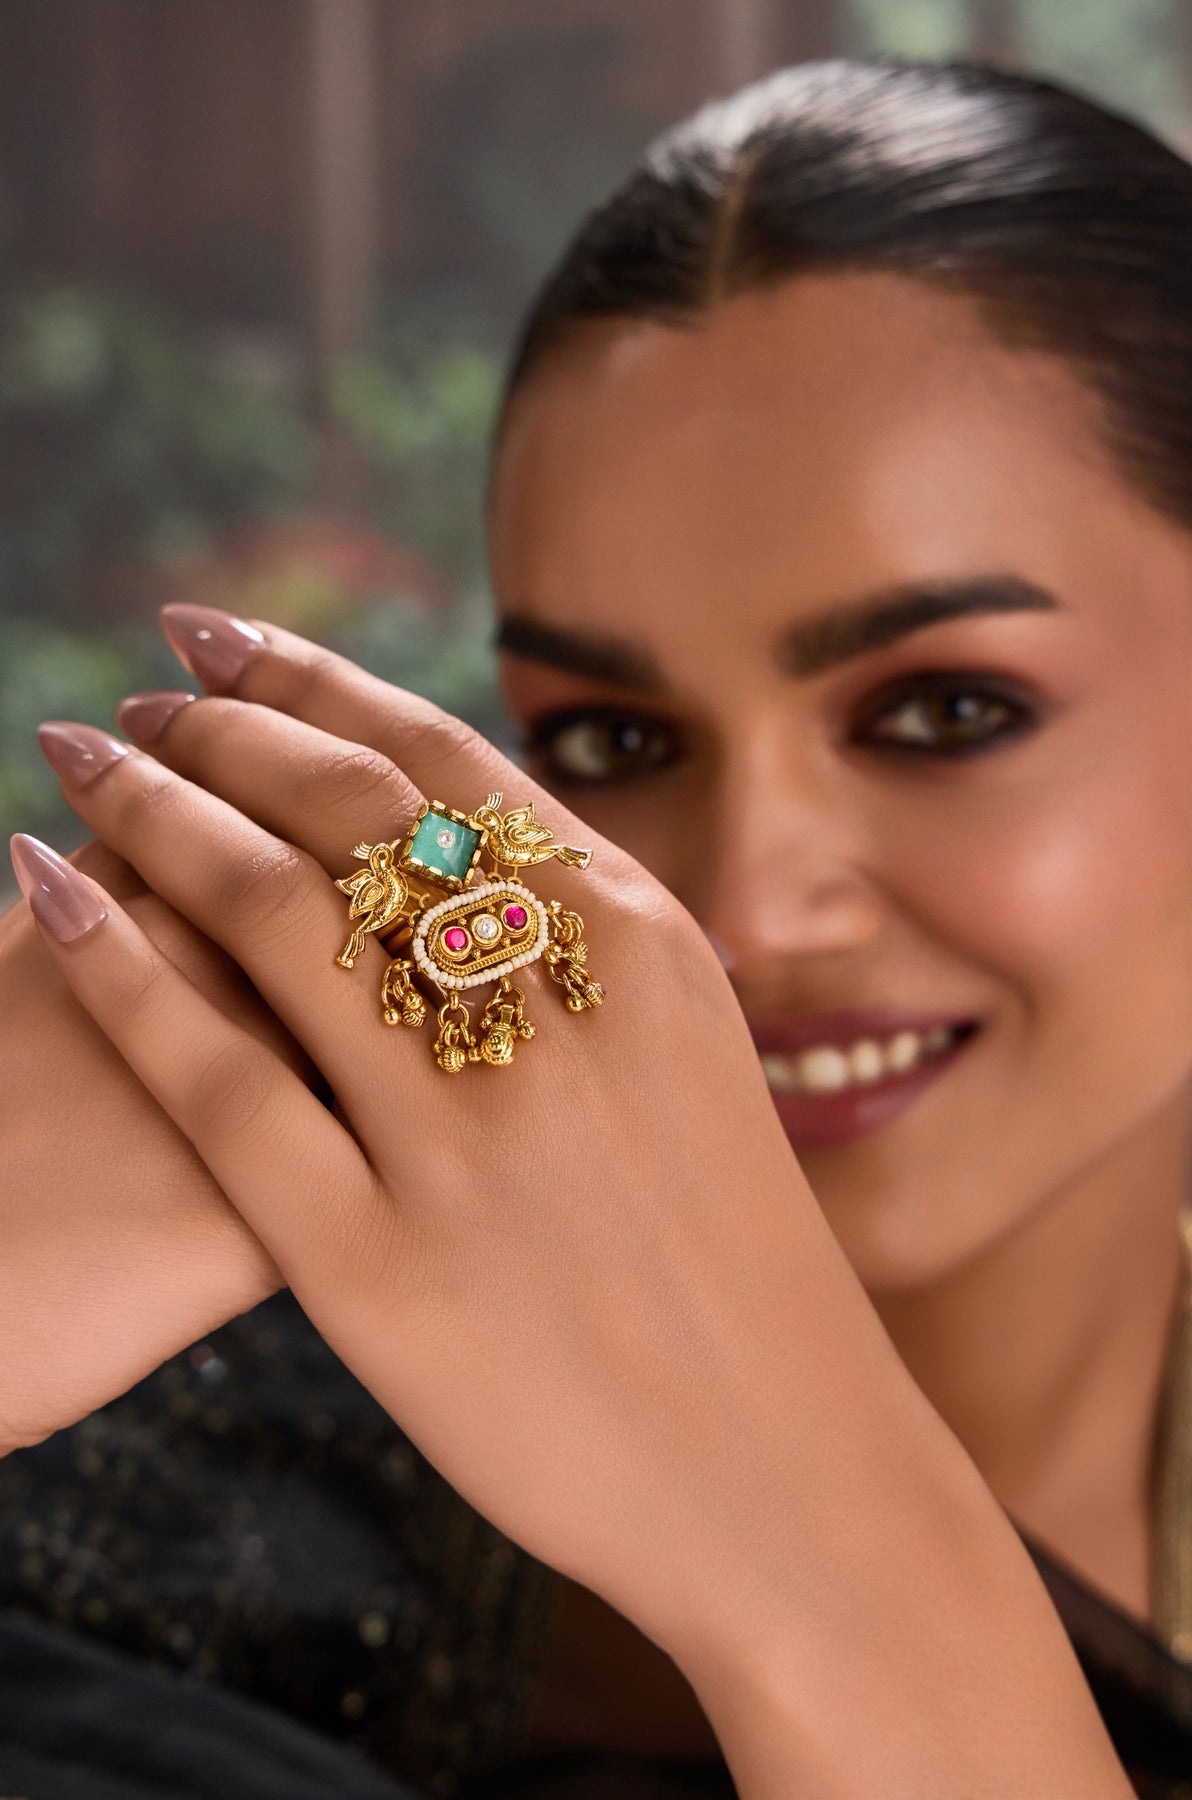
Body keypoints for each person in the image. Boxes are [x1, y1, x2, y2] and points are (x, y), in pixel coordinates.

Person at [3, 53, 1192, 1800]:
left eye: (945, 713)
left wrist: (833, 1561)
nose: (743, 913)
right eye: (611, 745)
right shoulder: (185, 1544)